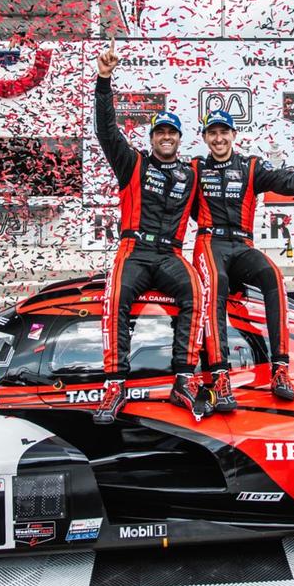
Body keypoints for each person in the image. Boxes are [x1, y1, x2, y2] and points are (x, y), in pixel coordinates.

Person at [93, 41, 206, 424]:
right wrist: (103, 81)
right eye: (160, 132)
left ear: (178, 138)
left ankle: (184, 381)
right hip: (135, 250)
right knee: (115, 296)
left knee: (196, 291)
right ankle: (115, 384)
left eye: (172, 133)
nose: (166, 138)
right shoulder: (133, 163)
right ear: (153, 137)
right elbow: (106, 131)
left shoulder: (191, 175)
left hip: (171, 255)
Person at [193, 112, 294, 409]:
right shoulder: (195, 168)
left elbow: (292, 184)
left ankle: (279, 369)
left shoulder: (251, 166)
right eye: (212, 133)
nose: (218, 138)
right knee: (216, 283)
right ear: (204, 137)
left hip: (242, 243)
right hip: (208, 241)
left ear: (233, 135)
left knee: (273, 276)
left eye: (223, 132)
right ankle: (219, 375)